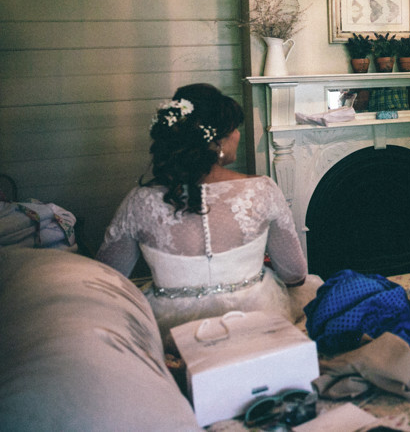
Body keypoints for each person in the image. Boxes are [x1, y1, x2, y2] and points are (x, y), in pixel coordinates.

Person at [97, 83, 309, 346]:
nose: (238, 135)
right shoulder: (262, 190)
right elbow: (295, 274)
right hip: (257, 318)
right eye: (234, 129)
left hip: (171, 333)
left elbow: (106, 279)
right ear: (217, 141)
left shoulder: (139, 202)